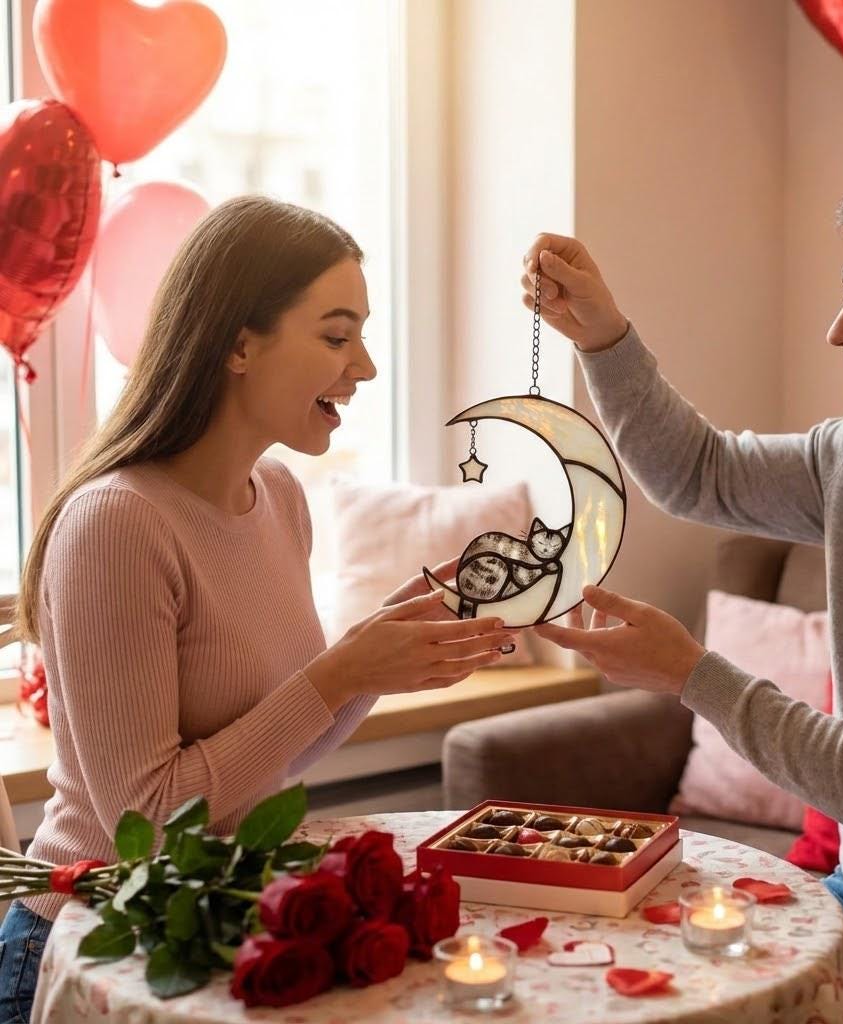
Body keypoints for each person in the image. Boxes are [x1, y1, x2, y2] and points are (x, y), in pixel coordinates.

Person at [522, 154, 843, 1024]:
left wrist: (694, 676)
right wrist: (602, 336)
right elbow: (698, 474)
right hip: (841, 900)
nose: (838, 330)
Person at [0, 196, 514, 1022]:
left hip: (211, 923)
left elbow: (271, 757)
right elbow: (154, 820)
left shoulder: (275, 494)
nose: (367, 367)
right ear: (240, 343)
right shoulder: (118, 523)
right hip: (93, 947)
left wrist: (382, 651)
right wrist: (342, 670)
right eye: (337, 337)